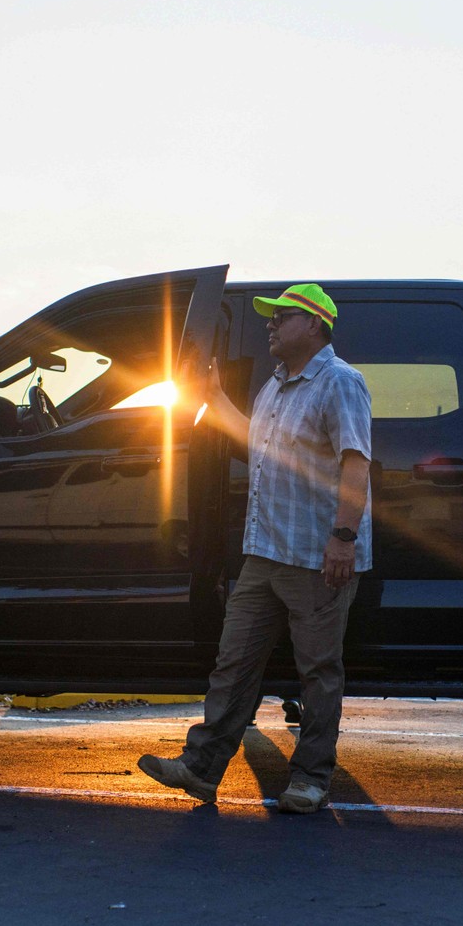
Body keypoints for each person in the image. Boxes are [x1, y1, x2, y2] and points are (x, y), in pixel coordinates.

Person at [137, 282, 372, 814]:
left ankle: (310, 779)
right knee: (233, 663)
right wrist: (214, 398)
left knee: (318, 672)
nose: (269, 324)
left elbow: (356, 463)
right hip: (264, 554)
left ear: (313, 324)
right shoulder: (274, 387)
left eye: (280, 316)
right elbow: (254, 441)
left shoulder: (340, 383)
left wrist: (342, 539)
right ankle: (200, 769)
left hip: (315, 557)